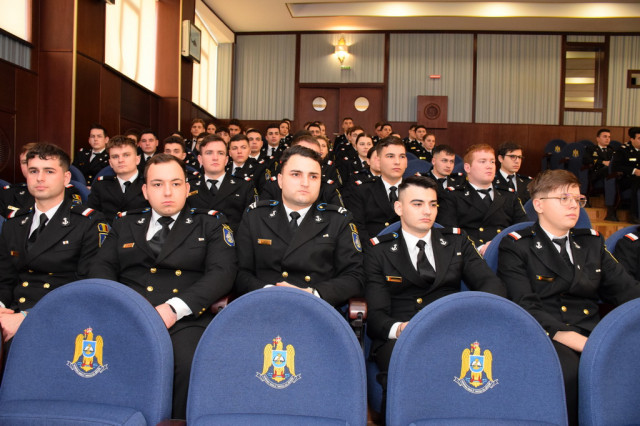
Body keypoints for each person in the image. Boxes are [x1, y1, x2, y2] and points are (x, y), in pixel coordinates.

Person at [90, 154, 237, 419]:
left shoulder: (210, 223)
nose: (167, 192)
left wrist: (173, 309)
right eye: (157, 184)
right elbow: (101, 268)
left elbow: (222, 273)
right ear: (145, 191)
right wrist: (121, 308)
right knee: (94, 357)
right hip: (128, 314)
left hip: (185, 318)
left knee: (188, 363)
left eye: (175, 183)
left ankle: (176, 421)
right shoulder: (125, 222)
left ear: (187, 188)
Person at [497, 169, 640, 425]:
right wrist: (579, 341)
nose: (574, 205)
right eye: (564, 198)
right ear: (539, 205)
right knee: (570, 373)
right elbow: (525, 306)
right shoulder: (517, 246)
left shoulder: (591, 243)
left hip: (593, 330)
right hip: (548, 334)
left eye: (578, 199)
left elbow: (628, 291)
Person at [366, 176, 506, 374]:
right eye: (417, 204)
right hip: (404, 336)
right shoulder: (379, 251)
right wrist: (399, 328)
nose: (427, 211)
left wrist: (470, 319)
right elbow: (376, 315)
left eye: (433, 204)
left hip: (453, 329)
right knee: (415, 369)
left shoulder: (457, 242)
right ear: (399, 208)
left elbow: (490, 284)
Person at [0, 143, 107, 345]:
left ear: (66, 178)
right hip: (11, 313)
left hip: (59, 318)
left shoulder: (88, 223)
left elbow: (88, 288)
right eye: (33, 171)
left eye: (49, 171)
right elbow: (5, 279)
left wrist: (26, 317)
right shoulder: (14, 222)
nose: (40, 178)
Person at [234, 145, 364, 308]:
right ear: (280, 180)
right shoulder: (255, 217)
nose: (305, 183)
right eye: (296, 174)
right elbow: (240, 272)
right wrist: (268, 292)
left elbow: (355, 276)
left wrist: (313, 294)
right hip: (264, 305)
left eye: (313, 176)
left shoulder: (338, 220)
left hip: (316, 309)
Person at [437, 144, 527, 254]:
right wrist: (480, 247)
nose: (489, 166)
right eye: (482, 161)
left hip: (506, 252)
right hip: (470, 254)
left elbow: (524, 227)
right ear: (467, 168)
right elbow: (449, 231)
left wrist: (500, 245)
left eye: (492, 162)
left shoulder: (509, 195)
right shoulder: (452, 196)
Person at [187, 135, 256, 232]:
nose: (215, 158)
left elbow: (251, 222)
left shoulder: (244, 186)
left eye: (220, 153)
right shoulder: (189, 187)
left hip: (233, 239)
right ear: (200, 159)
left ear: (226, 160)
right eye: (209, 153)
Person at [347, 136, 407, 245]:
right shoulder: (362, 191)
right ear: (378, 161)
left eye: (402, 156)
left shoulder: (418, 191)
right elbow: (358, 230)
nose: (397, 162)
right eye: (390, 156)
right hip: (374, 250)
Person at [0, 143, 83, 217]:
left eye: (49, 171)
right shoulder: (9, 193)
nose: (28, 166)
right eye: (24, 162)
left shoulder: (65, 191)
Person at [87, 136, 148, 224]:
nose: (120, 160)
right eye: (115, 157)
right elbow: (91, 218)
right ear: (110, 163)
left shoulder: (149, 184)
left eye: (126, 155)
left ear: (137, 160)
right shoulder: (101, 185)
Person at [584, 129, 617, 221]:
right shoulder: (591, 149)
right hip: (595, 173)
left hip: (608, 175)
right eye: (605, 136)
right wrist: (602, 162)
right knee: (607, 170)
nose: (607, 139)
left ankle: (612, 206)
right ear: (598, 138)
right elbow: (586, 160)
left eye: (609, 137)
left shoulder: (612, 150)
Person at [612, 127, 640, 224]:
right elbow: (615, 166)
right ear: (632, 139)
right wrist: (634, 171)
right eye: (639, 138)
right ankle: (633, 215)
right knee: (637, 180)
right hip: (625, 179)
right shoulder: (623, 150)